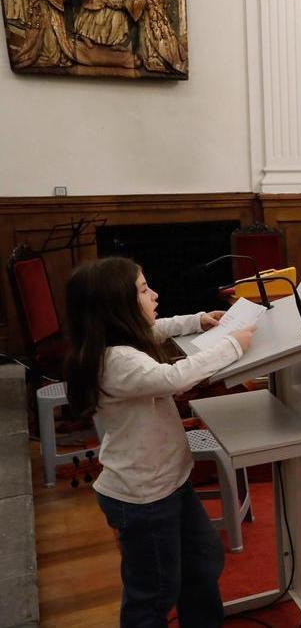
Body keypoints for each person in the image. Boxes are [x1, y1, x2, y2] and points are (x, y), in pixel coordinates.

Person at [62, 257, 256, 627]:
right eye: (143, 290)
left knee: (202, 562)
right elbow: (174, 378)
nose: (155, 294)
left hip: (169, 482)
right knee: (154, 593)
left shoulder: (117, 340)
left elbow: (159, 329)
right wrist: (232, 344)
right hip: (143, 497)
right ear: (117, 306)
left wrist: (199, 320)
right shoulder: (115, 360)